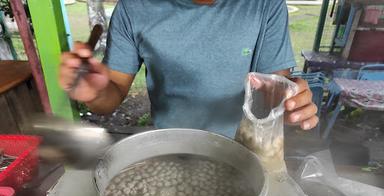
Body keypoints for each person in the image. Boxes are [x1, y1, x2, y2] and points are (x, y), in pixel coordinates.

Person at [59, 0, 318, 138]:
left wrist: (289, 104)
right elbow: (110, 97)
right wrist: (94, 93)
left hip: (242, 150)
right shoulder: (133, 8)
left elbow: (273, 89)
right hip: (168, 147)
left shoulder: (265, 5)